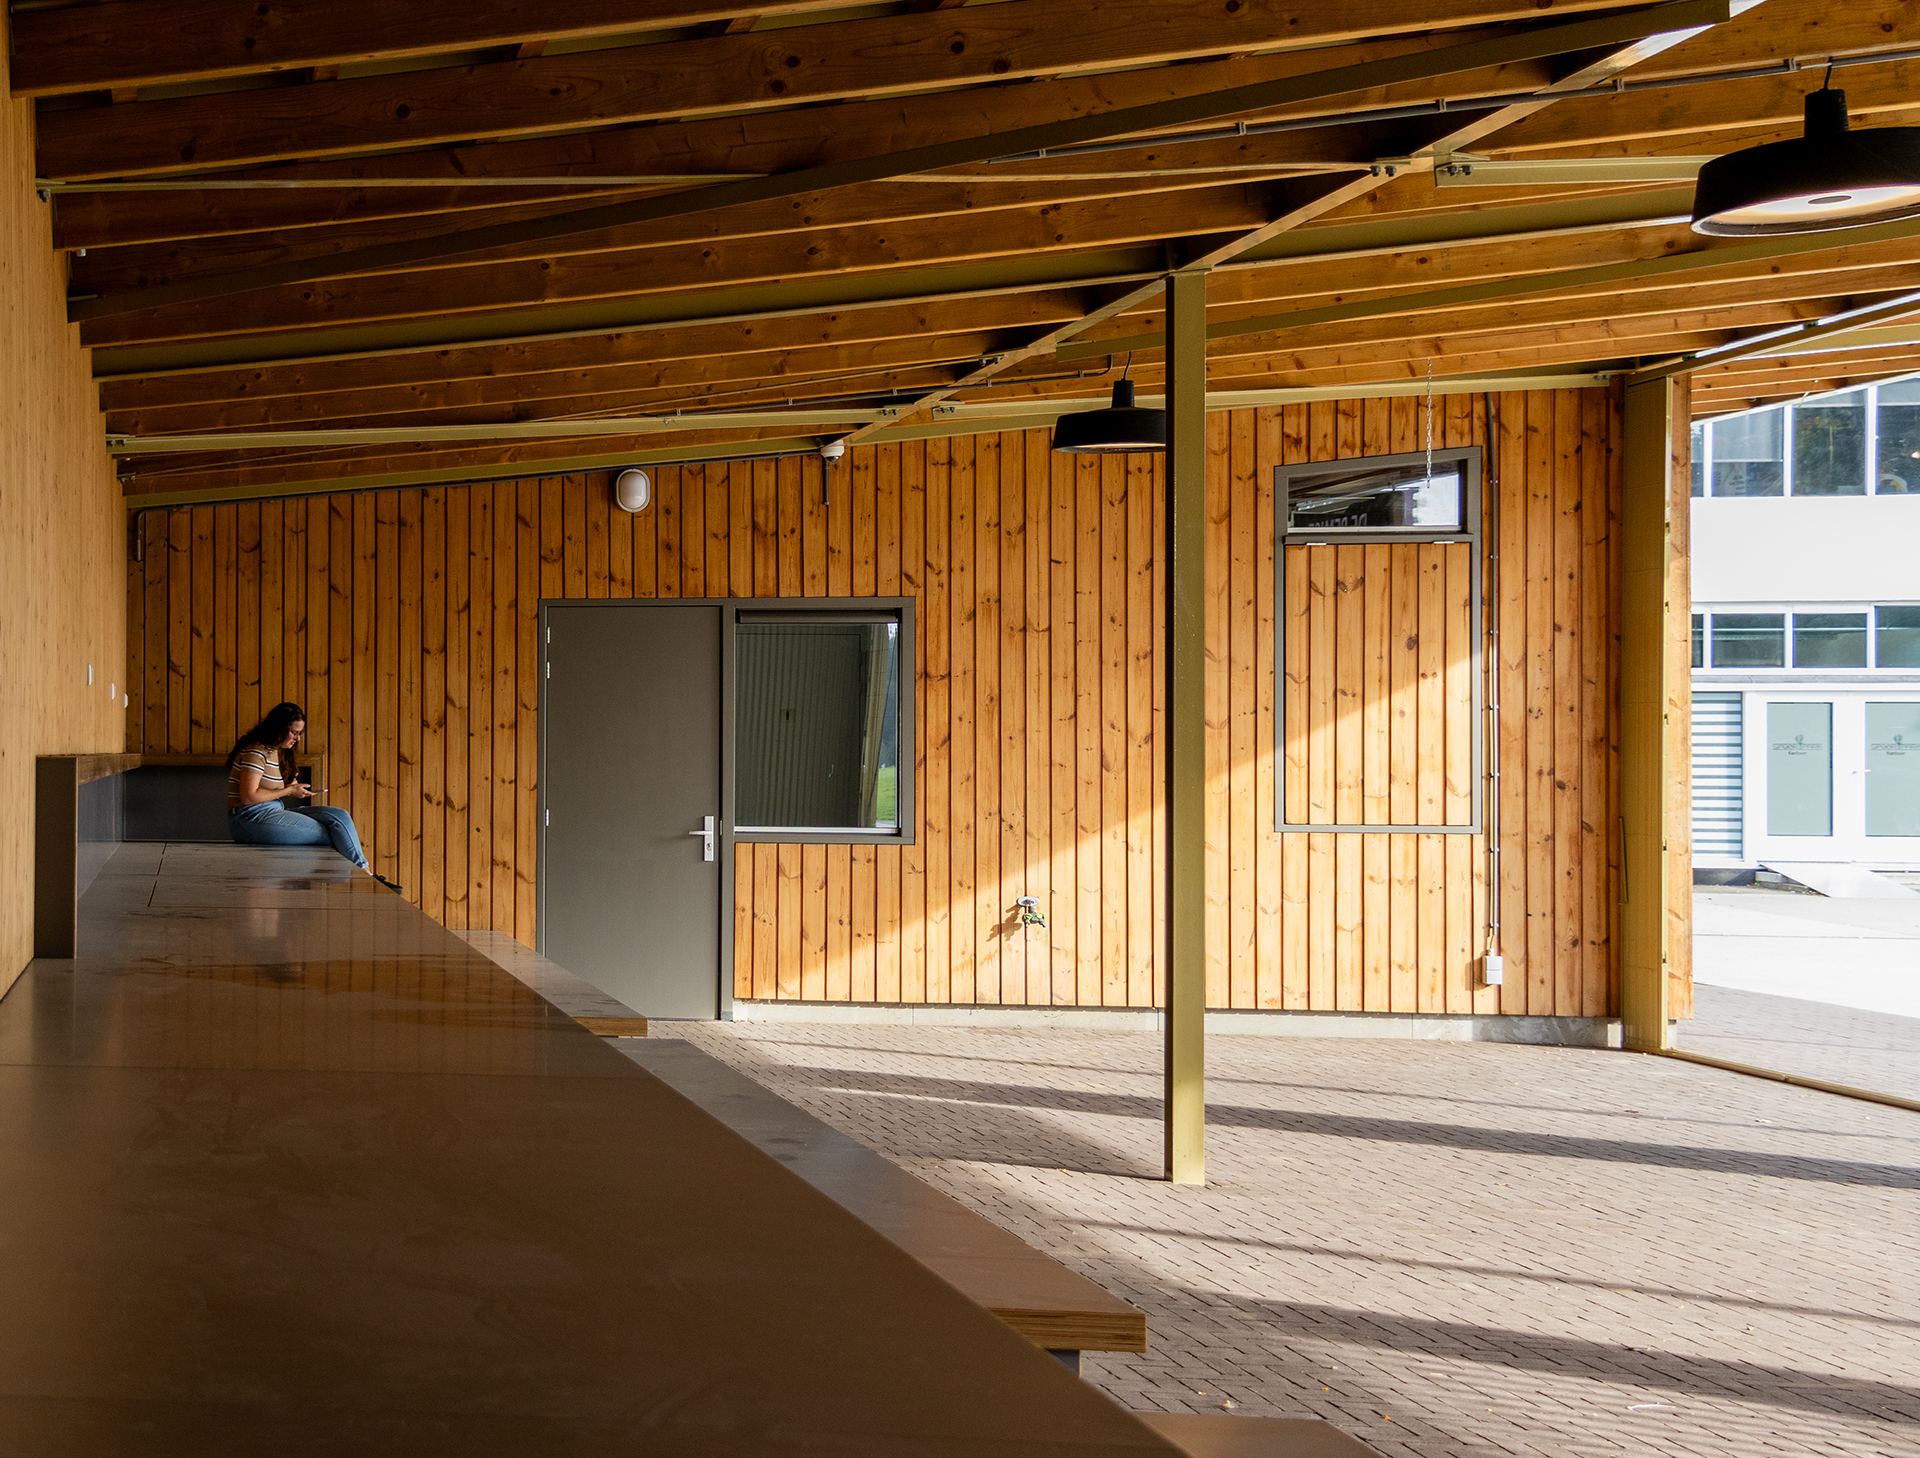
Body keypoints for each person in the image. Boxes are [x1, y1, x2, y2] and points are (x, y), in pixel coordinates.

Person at [225, 702, 376, 876]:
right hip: (249, 819)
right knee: (331, 835)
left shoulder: (274, 751)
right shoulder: (256, 752)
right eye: (294, 733)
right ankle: (362, 878)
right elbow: (248, 798)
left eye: (300, 733)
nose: (297, 739)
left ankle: (365, 871)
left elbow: (265, 790)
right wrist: (288, 791)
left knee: (339, 815)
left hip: (271, 812)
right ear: (279, 728)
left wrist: (290, 786)